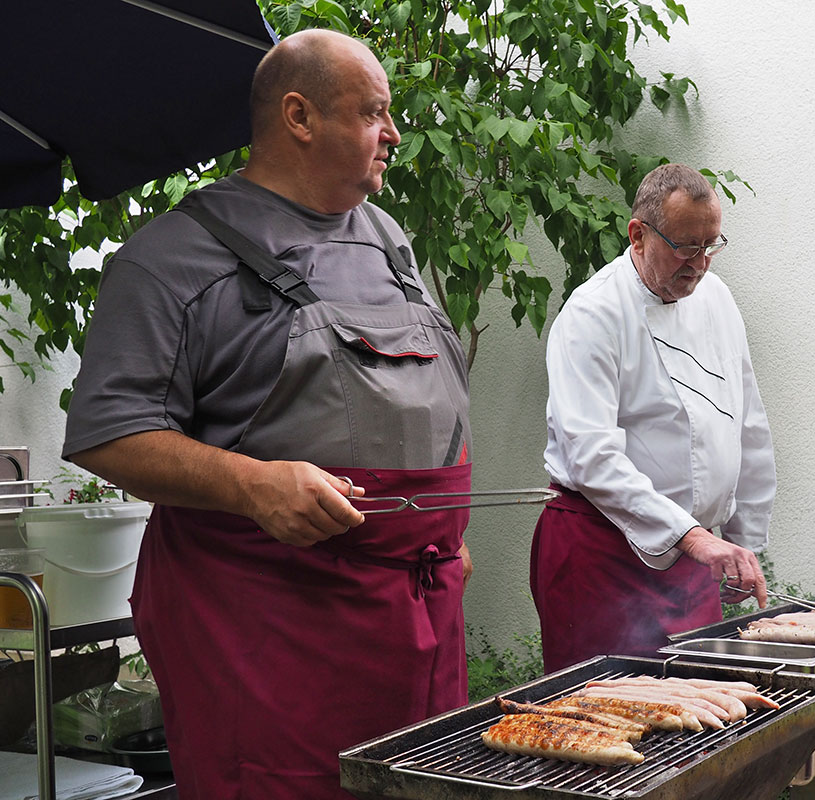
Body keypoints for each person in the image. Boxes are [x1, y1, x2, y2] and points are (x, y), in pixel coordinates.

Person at [62, 30, 473, 799]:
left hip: (416, 608)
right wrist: (254, 485)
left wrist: (447, 534)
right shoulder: (172, 256)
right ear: (299, 115)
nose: (394, 134)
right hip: (268, 622)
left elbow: (425, 401)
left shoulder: (387, 239)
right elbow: (107, 432)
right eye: (375, 113)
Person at [530, 163, 776, 673]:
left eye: (712, 245)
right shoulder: (592, 314)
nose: (701, 263)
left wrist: (741, 542)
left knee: (702, 713)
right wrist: (696, 539)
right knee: (607, 714)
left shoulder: (718, 299)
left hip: (696, 561)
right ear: (638, 235)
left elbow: (747, 427)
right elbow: (592, 456)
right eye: (686, 246)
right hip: (602, 555)